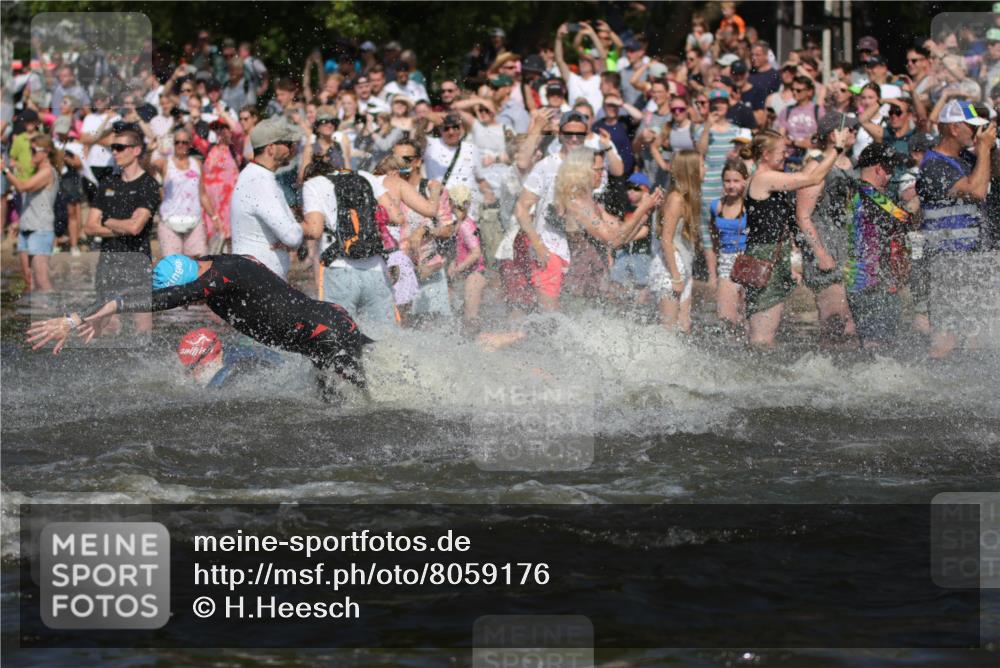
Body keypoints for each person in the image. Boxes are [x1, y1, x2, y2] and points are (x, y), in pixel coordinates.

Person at [27, 254, 372, 397]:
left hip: (329, 332)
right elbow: (139, 292)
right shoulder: (208, 261)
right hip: (320, 332)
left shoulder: (220, 277)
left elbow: (156, 300)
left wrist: (76, 320)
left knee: (364, 404)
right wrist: (103, 313)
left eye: (189, 296)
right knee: (332, 404)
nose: (191, 301)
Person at [743, 128, 848, 346]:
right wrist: (836, 148)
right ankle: (753, 374)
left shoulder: (768, 178)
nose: (786, 155)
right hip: (766, 257)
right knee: (762, 336)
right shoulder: (764, 178)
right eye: (782, 151)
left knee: (767, 331)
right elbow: (813, 178)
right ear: (765, 154)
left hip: (772, 255)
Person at [914, 99, 996, 358]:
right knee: (945, 341)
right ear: (953, 128)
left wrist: (988, 149)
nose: (976, 133)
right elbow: (977, 191)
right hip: (946, 260)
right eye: (971, 127)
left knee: (975, 336)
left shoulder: (965, 158)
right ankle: (929, 390)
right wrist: (984, 149)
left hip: (971, 259)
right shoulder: (934, 164)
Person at [82, 124, 160, 334]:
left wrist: (106, 221)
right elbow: (89, 227)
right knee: (107, 324)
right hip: (108, 262)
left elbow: (135, 228)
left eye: (119, 147)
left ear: (136, 150)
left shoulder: (148, 185)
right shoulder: (107, 183)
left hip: (137, 262)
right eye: (112, 148)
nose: (114, 152)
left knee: (142, 326)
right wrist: (119, 226)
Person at [795, 112, 861, 343]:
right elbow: (802, 216)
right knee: (836, 320)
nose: (855, 132)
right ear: (835, 134)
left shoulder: (852, 164)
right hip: (825, 246)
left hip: (848, 247)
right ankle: (822, 374)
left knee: (852, 323)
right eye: (850, 129)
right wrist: (820, 253)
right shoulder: (816, 166)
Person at [838, 143, 912, 348]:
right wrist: (918, 200)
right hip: (872, 283)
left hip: (862, 280)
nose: (892, 175)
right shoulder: (869, 193)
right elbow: (904, 219)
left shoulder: (853, 191)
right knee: (877, 346)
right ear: (879, 168)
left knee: (873, 344)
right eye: (890, 169)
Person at [230, 117, 306, 280]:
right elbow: (292, 237)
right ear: (271, 148)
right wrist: (304, 229)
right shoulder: (260, 182)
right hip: (259, 281)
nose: (292, 149)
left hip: (255, 277)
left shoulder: (254, 175)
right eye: (287, 143)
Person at [649, 150, 702, 332]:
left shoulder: (688, 198)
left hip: (682, 265)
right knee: (668, 329)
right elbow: (666, 239)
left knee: (684, 326)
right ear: (691, 170)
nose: (706, 168)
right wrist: (676, 277)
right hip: (669, 268)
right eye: (702, 166)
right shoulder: (676, 199)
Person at [4, 135, 60, 294]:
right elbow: (33, 202)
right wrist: (19, 222)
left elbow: (22, 187)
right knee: (28, 280)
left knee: (42, 281)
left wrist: (5, 170)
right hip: (27, 228)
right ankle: (35, 316)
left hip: (41, 230)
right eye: (30, 150)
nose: (31, 153)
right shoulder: (38, 171)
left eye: (34, 150)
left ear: (46, 152)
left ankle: (53, 315)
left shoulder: (48, 172)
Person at [697, 90, 742, 286]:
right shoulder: (703, 129)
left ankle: (732, 270)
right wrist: (707, 127)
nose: (718, 106)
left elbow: (742, 158)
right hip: (708, 186)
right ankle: (712, 275)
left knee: (728, 228)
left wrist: (736, 156)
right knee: (707, 230)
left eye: (722, 102)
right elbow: (700, 151)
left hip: (730, 186)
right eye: (715, 103)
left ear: (728, 104)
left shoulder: (735, 130)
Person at [153, 128, 211, 257]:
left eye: (184, 142)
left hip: (194, 220)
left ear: (190, 144)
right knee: (173, 266)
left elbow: (202, 194)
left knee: (199, 264)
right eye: (177, 142)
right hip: (169, 220)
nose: (180, 145)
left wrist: (214, 217)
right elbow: (149, 167)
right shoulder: (165, 163)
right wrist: (152, 150)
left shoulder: (197, 163)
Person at [708, 158, 749, 331]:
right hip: (725, 262)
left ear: (745, 181)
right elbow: (713, 238)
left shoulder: (751, 206)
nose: (731, 185)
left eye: (736, 181)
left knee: (748, 320)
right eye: (727, 181)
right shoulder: (716, 205)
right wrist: (712, 273)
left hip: (748, 261)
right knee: (726, 319)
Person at [609, 173, 657, 309]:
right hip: (624, 252)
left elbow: (644, 231)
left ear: (646, 190)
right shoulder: (627, 208)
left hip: (641, 252)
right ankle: (617, 306)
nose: (631, 191)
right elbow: (619, 226)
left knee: (641, 282)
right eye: (628, 188)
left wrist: (624, 239)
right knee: (616, 279)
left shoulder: (648, 210)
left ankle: (639, 308)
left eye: (636, 189)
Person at [445, 185, 487, 331]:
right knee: (464, 318)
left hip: (475, 275)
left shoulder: (465, 226)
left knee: (471, 319)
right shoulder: (461, 223)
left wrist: (458, 268)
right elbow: (462, 250)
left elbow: (476, 252)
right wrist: (453, 263)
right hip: (469, 274)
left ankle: (481, 346)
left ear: (451, 202)